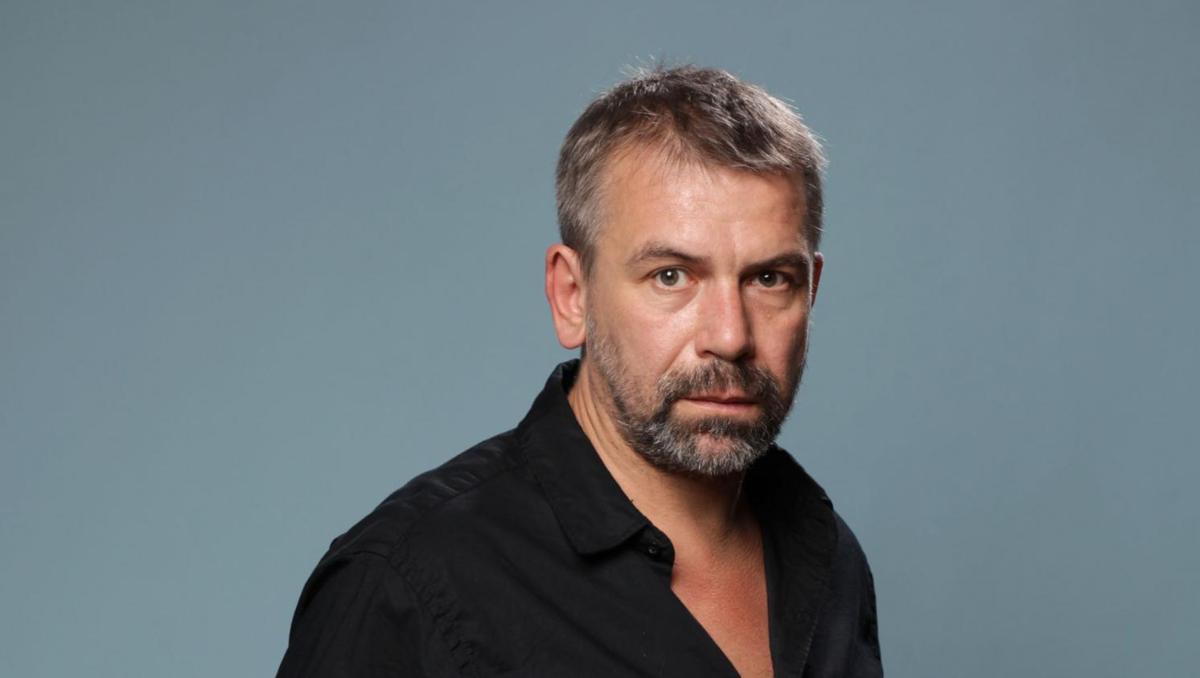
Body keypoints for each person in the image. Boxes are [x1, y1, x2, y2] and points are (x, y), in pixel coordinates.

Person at [277, 65, 882, 677]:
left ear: (812, 291)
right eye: (671, 276)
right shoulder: (404, 584)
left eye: (769, 279)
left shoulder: (825, 551)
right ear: (572, 295)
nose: (730, 337)